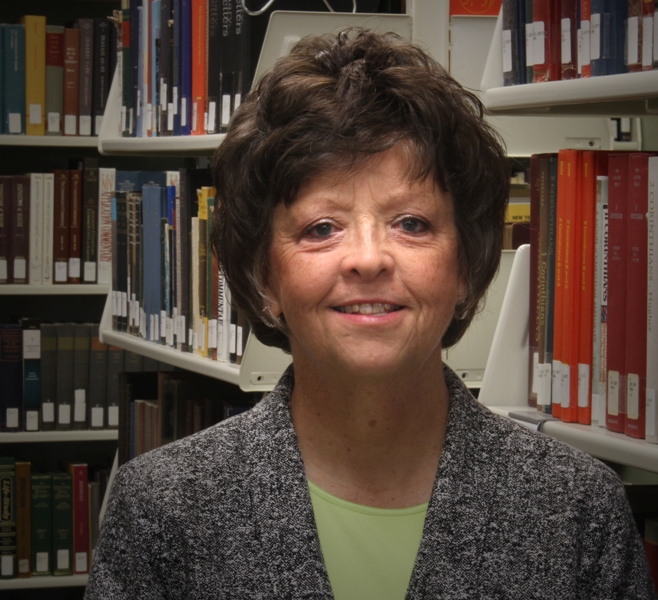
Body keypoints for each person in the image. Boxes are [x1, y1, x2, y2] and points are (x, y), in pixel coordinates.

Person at [85, 29, 656, 599]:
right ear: (264, 279)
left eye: (411, 223)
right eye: (321, 228)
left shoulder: (580, 511)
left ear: (466, 266)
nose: (368, 258)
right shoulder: (160, 513)